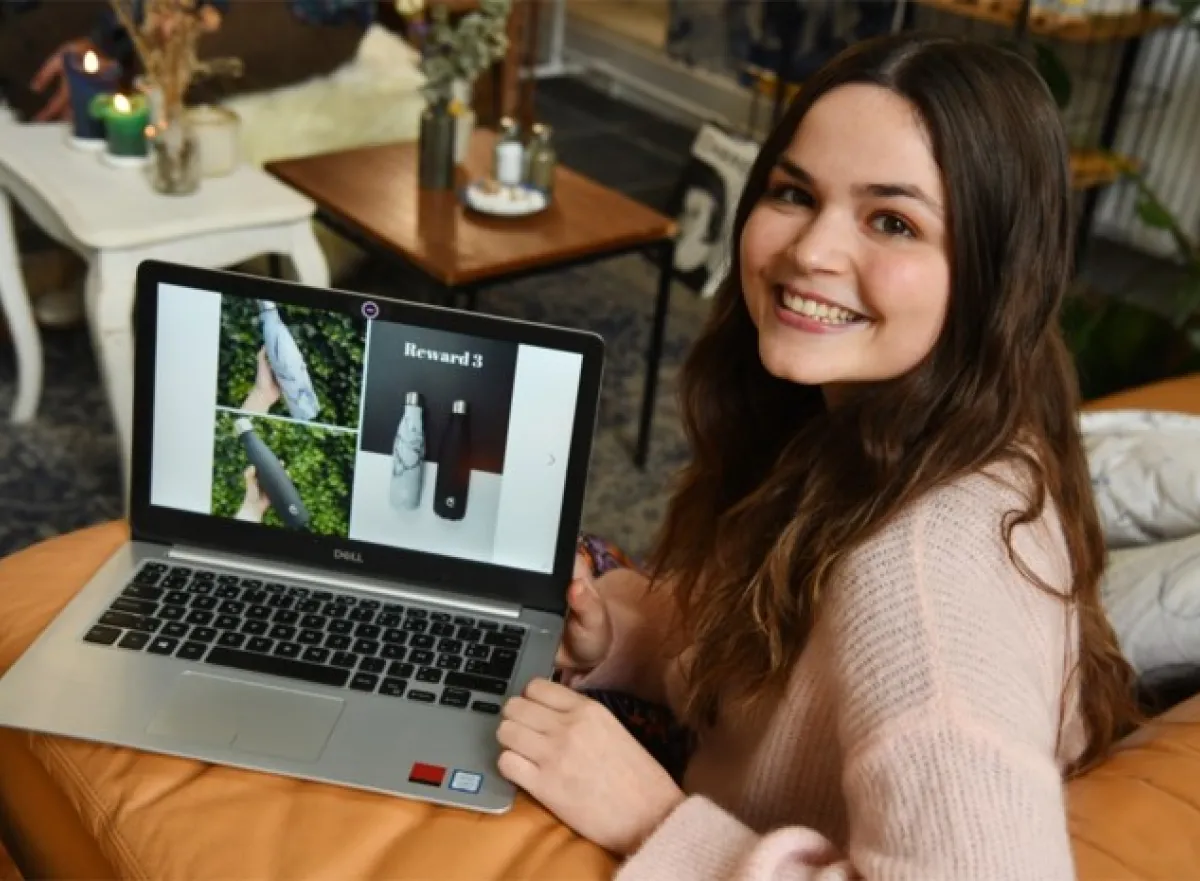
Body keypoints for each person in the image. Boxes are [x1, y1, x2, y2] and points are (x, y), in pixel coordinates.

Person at [493, 32, 1142, 879]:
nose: (810, 252)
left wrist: (656, 821)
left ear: (996, 273)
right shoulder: (890, 418)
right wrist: (627, 638)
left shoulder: (927, 568)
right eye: (795, 193)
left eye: (893, 221)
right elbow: (792, 676)